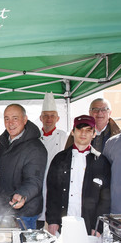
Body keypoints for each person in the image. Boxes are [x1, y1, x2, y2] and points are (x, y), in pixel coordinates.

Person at [46, 115, 111, 235]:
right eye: (79, 129)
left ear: (94, 134)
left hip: (89, 225)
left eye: (88, 130)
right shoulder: (59, 159)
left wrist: (98, 227)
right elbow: (52, 193)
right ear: (72, 132)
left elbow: (105, 199)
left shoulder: (102, 162)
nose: (83, 133)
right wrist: (52, 220)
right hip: (62, 222)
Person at [0, 104, 47, 230]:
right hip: (5, 208)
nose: (10, 123)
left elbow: (34, 180)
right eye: (6, 118)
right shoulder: (4, 143)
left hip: (24, 212)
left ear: (25, 119)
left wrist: (22, 195)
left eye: (15, 118)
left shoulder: (35, 147)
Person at [37, 92, 68, 229]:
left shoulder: (64, 137)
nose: (49, 119)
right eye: (46, 116)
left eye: (52, 116)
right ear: (40, 118)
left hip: (57, 185)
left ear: (58, 118)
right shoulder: (35, 138)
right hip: (38, 185)